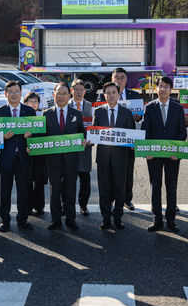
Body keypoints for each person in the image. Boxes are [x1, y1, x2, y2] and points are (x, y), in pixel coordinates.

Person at [141, 77, 187, 233]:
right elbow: (145, 131)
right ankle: (157, 219)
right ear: (156, 88)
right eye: (161, 86)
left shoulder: (178, 108)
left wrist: (177, 151)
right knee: (156, 187)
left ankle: (171, 220)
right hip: (154, 154)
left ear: (171, 89)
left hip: (172, 155)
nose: (163, 89)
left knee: (171, 187)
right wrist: (147, 151)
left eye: (166, 86)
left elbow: (182, 132)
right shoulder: (149, 107)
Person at [0, 80, 35, 232]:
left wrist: (31, 137)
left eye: (17, 91)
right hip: (6, 158)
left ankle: (22, 219)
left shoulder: (29, 111)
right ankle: (5, 220)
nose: (14, 95)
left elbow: (37, 134)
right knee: (5, 191)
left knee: (23, 191)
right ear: (6, 94)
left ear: (21, 93)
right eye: (10, 92)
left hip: (23, 158)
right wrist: (2, 138)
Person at [92, 82, 135, 230]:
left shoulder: (127, 113)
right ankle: (105, 218)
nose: (111, 95)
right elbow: (94, 133)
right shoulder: (98, 112)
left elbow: (132, 137)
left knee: (119, 189)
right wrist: (90, 140)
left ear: (118, 94)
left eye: (113, 92)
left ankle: (118, 217)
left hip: (121, 158)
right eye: (108, 93)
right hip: (103, 157)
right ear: (104, 95)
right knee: (104, 189)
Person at [44, 83, 86, 231]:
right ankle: (55, 219)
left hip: (71, 159)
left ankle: (70, 218)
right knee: (54, 191)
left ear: (70, 95)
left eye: (64, 94)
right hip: (53, 159)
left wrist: (84, 140)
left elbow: (82, 133)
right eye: (58, 94)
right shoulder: (46, 114)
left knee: (70, 190)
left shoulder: (76, 114)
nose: (61, 97)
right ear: (54, 95)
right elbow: (41, 137)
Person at [99, 67, 141, 211]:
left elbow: (138, 118)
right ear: (112, 79)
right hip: (107, 148)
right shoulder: (102, 98)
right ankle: (109, 202)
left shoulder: (134, 95)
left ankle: (126, 199)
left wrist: (137, 117)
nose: (119, 80)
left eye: (122, 77)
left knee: (126, 174)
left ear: (126, 79)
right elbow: (96, 125)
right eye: (116, 77)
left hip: (126, 144)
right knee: (108, 178)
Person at [70, 79, 93, 216]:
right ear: (71, 91)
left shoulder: (91, 106)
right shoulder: (65, 105)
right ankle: (66, 206)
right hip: (68, 148)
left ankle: (83, 205)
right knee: (67, 179)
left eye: (81, 90)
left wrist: (93, 139)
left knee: (85, 179)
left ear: (85, 91)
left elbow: (95, 127)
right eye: (76, 89)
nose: (78, 92)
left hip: (85, 148)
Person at [24, 92, 46, 216]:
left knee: (39, 182)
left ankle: (39, 206)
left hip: (40, 154)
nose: (33, 104)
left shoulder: (43, 115)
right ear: (26, 103)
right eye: (30, 101)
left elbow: (46, 134)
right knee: (26, 181)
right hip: (26, 154)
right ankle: (27, 206)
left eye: (36, 101)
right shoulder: (21, 117)